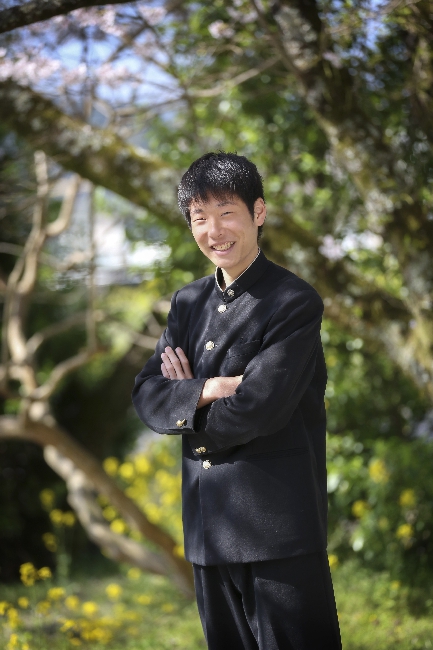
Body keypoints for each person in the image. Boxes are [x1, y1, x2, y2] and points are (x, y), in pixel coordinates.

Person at [132, 152, 342, 650]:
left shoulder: (294, 301)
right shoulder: (187, 302)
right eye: (199, 218)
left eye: (226, 212)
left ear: (258, 212)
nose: (214, 231)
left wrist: (184, 404)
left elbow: (259, 409)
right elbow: (146, 393)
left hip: (277, 531)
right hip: (208, 529)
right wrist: (209, 389)